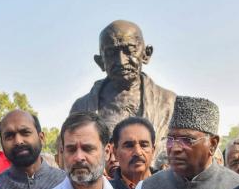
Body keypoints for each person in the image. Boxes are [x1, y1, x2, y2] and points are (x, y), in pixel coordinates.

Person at [70, 20, 176, 158]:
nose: (121, 61)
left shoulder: (169, 103)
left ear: (146, 54)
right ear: (100, 61)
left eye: (129, 50)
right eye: (111, 53)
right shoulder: (81, 108)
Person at [0, 109, 66, 189]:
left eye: (25, 133)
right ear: (2, 144)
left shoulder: (65, 182)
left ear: (41, 138)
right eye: (9, 136)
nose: (18, 141)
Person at [110, 116, 157, 189]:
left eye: (144, 145)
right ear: (115, 152)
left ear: (153, 151)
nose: (138, 152)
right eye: (129, 146)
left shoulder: (170, 187)